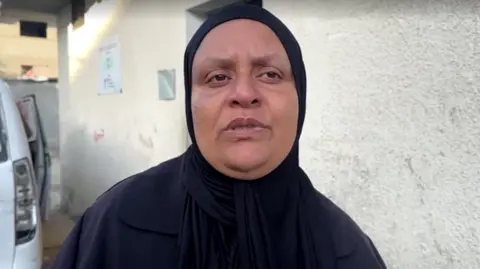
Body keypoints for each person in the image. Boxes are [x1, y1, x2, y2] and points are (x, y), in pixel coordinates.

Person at [51, 4, 387, 269]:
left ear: (300, 97)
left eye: (270, 74)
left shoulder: (346, 248)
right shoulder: (116, 224)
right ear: (190, 102)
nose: (244, 93)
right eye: (217, 77)